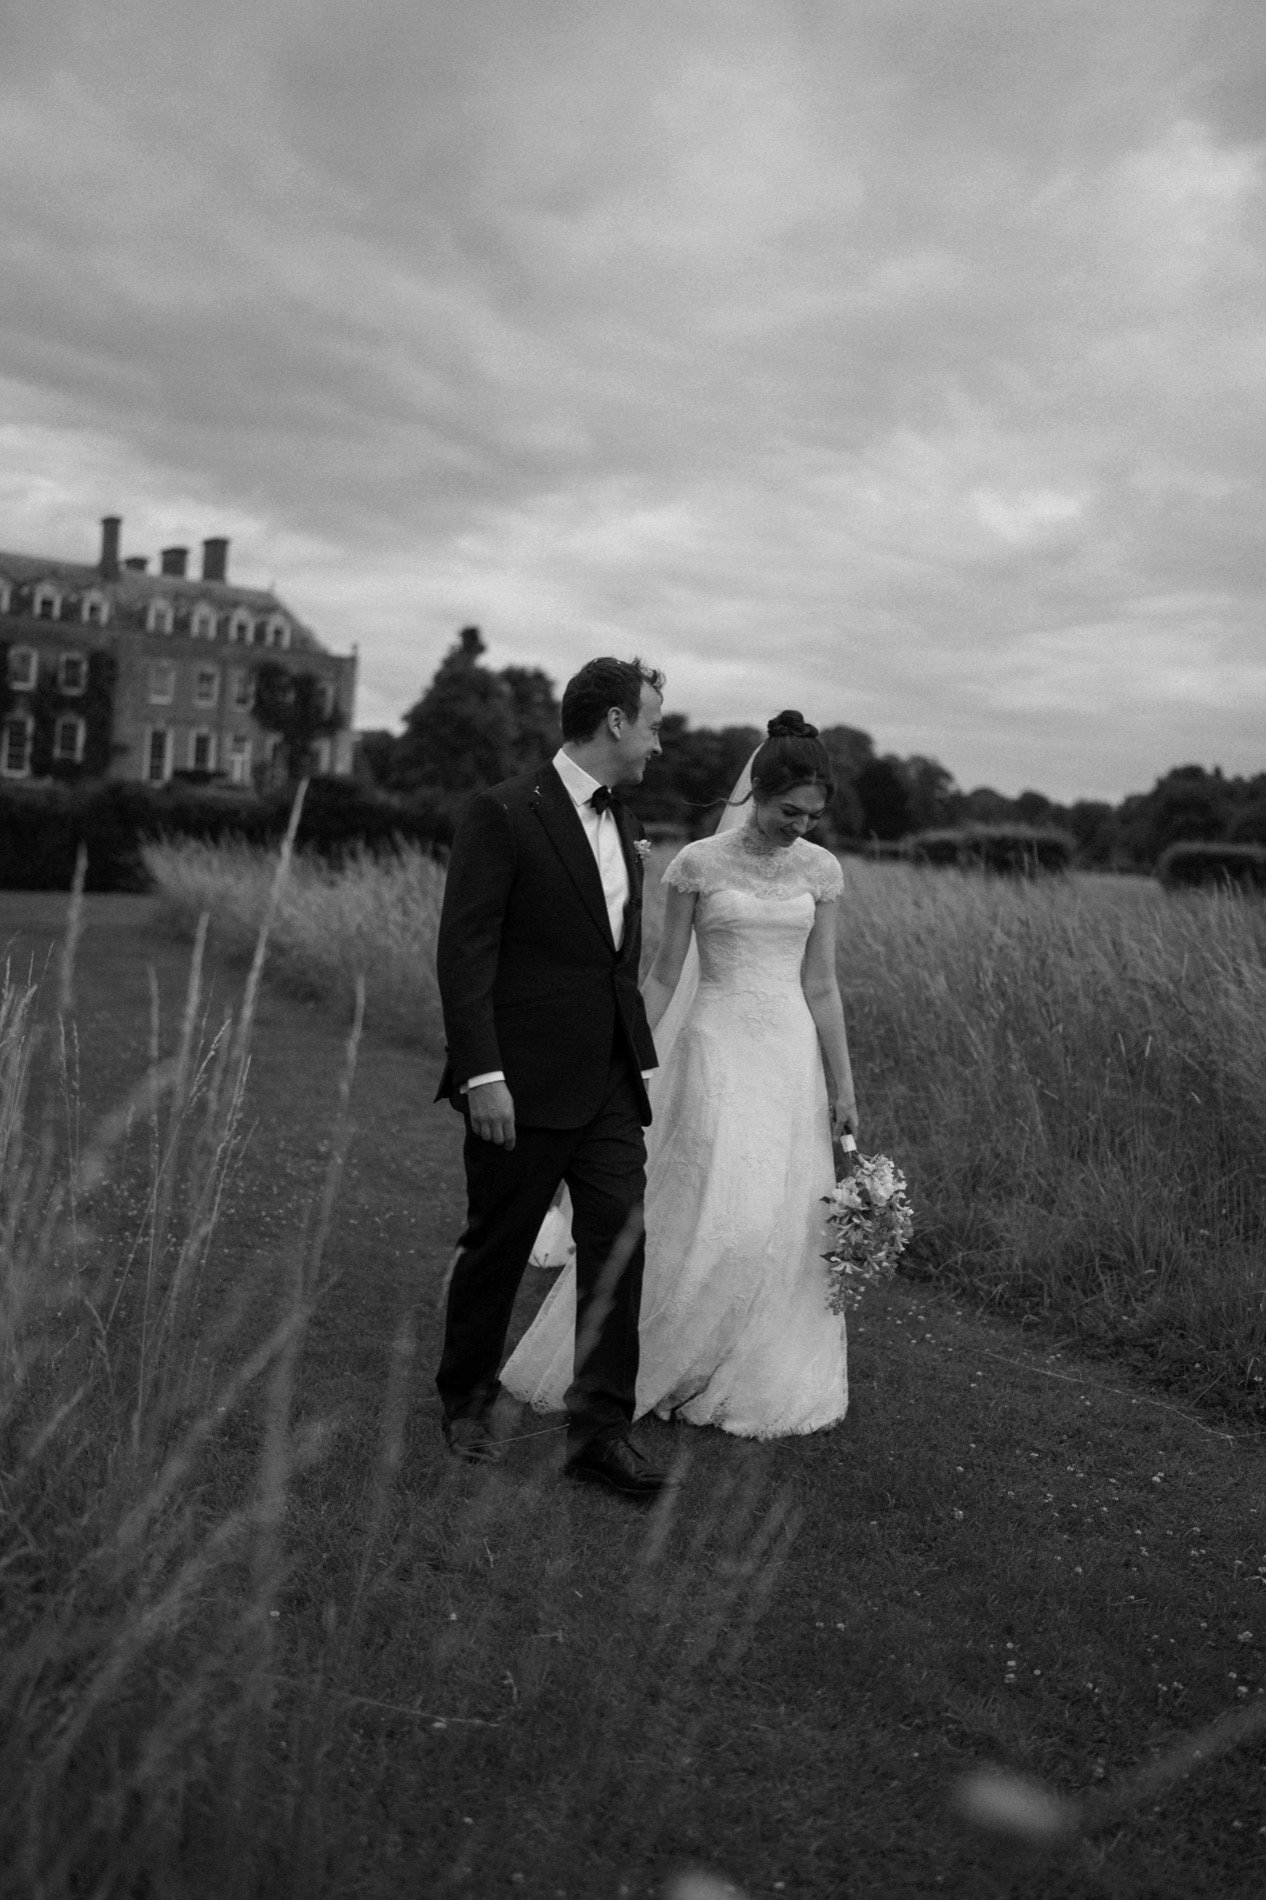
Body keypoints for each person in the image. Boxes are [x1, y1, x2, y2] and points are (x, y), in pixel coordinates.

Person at [503, 712, 858, 1438]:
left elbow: (822, 986)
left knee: (776, 1218)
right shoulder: (698, 863)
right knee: (714, 1213)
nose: (801, 827)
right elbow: (663, 975)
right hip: (714, 1048)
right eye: (790, 811)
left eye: (814, 817)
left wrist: (843, 1086)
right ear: (755, 791)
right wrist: (623, 1048)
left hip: (789, 1057)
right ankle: (660, 1359)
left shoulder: (822, 872)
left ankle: (743, 1361)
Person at [433, 656, 672, 1498]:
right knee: (497, 1245)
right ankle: (465, 1397)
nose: (657, 740)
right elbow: (465, 953)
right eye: (650, 722)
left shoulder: (627, 822)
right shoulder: (503, 811)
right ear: (613, 722)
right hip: (519, 1079)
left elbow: (613, 958)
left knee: (619, 1244)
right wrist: (482, 1073)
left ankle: (599, 1431)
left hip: (608, 1078)